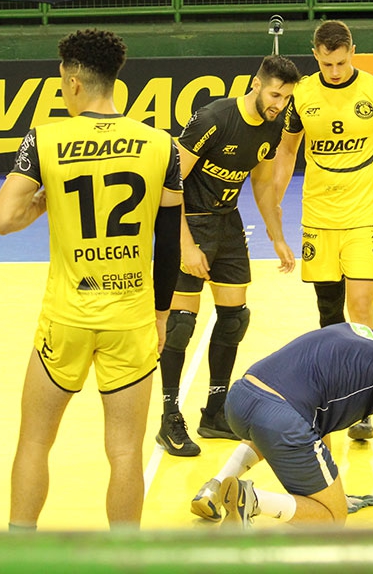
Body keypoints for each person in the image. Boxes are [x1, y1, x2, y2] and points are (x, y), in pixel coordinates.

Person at [0, 29, 182, 530]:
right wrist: (160, 315)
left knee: (35, 439)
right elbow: (168, 246)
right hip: (131, 318)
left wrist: (42, 203)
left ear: (74, 82)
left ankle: (18, 549)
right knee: (124, 452)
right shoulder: (162, 145)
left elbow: (3, 220)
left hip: (67, 317)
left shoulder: (45, 138)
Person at [274, 19, 373, 442]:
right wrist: (274, 203)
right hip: (318, 214)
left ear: (352, 51)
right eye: (327, 63)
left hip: (364, 213)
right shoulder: (302, 94)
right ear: (315, 54)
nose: (334, 71)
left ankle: (363, 403)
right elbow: (287, 149)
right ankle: (329, 394)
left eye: (341, 62)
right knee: (327, 313)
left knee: (361, 308)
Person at [154, 55, 301, 457]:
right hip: (190, 221)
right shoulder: (213, 119)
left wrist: (277, 237)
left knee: (235, 319)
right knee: (181, 325)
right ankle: (169, 420)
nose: (279, 104)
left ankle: (214, 415)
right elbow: (171, 181)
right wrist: (184, 245)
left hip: (227, 223)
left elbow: (263, 182)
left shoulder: (273, 126)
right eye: (275, 94)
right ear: (256, 84)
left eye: (286, 98)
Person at [189, 315, 373, 529]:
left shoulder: (355, 329)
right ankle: (252, 499)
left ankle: (213, 487)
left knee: (269, 427)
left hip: (241, 399)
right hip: (282, 419)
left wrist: (329, 487)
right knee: (333, 518)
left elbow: (317, 423)